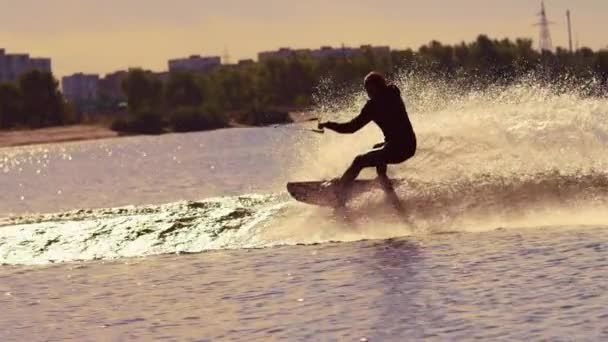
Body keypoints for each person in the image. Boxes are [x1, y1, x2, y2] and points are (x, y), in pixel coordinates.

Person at [318, 71, 417, 207]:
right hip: (409, 145)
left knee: (359, 161)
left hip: (397, 148)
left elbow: (351, 127)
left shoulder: (374, 105)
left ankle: (340, 194)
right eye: (367, 90)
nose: (368, 93)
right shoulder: (393, 93)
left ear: (378, 87)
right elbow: (352, 126)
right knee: (378, 149)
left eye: (370, 89)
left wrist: (328, 124)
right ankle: (386, 185)